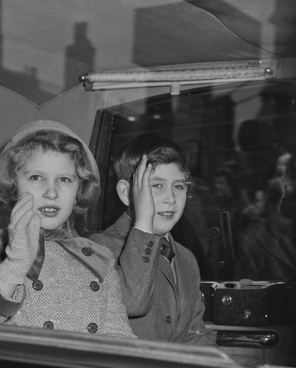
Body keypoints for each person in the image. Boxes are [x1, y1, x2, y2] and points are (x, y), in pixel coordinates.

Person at [0, 120, 135, 337]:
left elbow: (119, 338)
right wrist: (13, 267)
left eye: (64, 179)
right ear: (14, 185)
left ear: (79, 191)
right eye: (36, 178)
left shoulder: (99, 258)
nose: (52, 193)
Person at [89, 133, 215, 345]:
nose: (171, 199)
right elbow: (132, 301)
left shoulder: (186, 258)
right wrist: (144, 223)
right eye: (156, 186)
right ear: (126, 193)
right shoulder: (98, 248)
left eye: (179, 186)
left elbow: (194, 335)